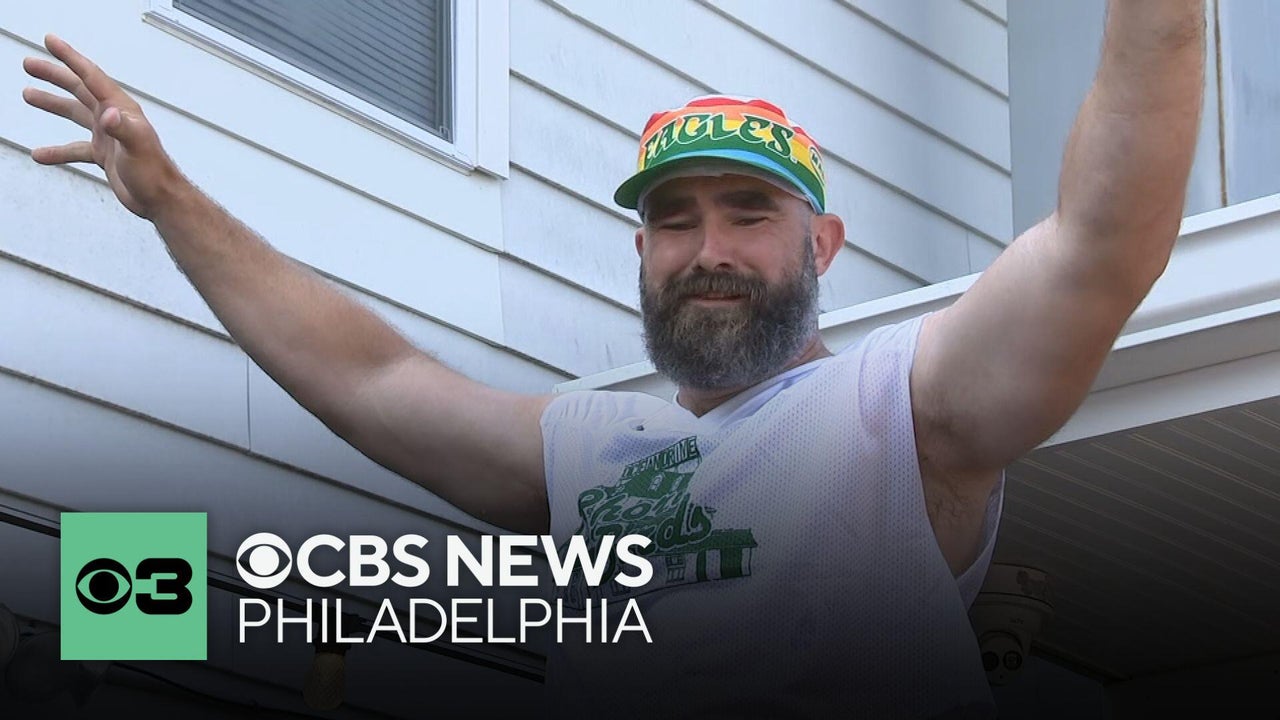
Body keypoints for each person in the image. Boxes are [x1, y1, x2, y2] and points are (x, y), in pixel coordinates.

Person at [20, 1, 1204, 717]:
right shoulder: (594, 450)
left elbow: (1100, 240)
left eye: (748, 213)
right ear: (641, 253)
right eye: (674, 222)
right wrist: (172, 202)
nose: (709, 252)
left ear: (822, 244)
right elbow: (373, 381)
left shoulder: (895, 407)